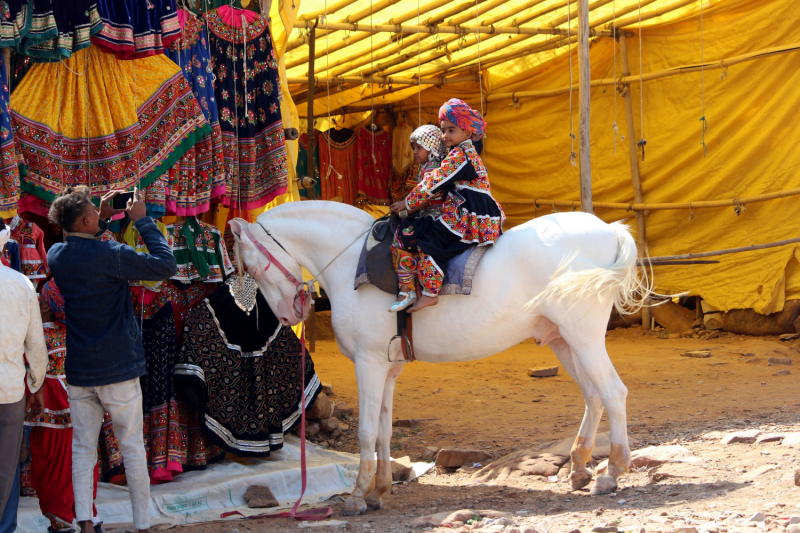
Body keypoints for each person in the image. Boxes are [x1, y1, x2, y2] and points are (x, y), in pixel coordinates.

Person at [47, 186, 177, 533]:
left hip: (80, 371)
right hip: (118, 368)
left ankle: (86, 524)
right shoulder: (113, 255)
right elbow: (166, 264)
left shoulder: (57, 255)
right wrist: (143, 221)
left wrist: (100, 218)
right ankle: (142, 524)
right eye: (94, 209)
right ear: (87, 219)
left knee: (83, 450)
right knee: (132, 447)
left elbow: (82, 247)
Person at [389, 99, 505, 312]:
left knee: (427, 242)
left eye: (452, 130)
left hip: (469, 211)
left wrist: (407, 203)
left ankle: (429, 293)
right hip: (469, 207)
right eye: (444, 130)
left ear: (468, 133)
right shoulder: (461, 152)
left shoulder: (461, 155)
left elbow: (433, 182)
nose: (446, 136)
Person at [26, 279, 101, 533]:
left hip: (52, 420)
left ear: (46, 307)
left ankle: (61, 520)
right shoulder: (77, 336)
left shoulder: (37, 338)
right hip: (82, 414)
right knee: (82, 464)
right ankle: (87, 516)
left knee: (53, 470)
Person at [0, 218, 47, 532]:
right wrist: (36, 383)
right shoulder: (21, 284)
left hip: (11, 390)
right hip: (9, 391)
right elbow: (37, 347)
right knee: (5, 468)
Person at [388, 125, 447, 312]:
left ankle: (407, 291)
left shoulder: (432, 169)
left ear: (433, 147)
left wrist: (405, 208)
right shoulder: (431, 167)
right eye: (413, 147)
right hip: (429, 216)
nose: (414, 152)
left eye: (419, 147)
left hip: (430, 219)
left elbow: (425, 196)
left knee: (400, 239)